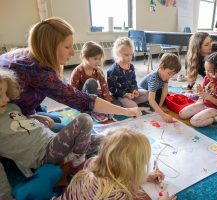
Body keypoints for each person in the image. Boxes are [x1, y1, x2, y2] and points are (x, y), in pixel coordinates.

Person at [0, 17, 140, 124]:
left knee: (57, 120)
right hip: (9, 121)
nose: (73, 53)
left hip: (22, 111)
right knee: (66, 130)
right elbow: (82, 99)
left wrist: (34, 114)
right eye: (67, 47)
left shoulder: (28, 54)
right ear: (50, 47)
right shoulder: (39, 72)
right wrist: (126, 111)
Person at [0, 67, 103, 199]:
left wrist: (36, 117)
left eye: (5, 93)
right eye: (0, 95)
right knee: (84, 120)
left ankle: (76, 158)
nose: (6, 99)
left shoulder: (10, 107)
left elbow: (22, 120)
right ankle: (76, 165)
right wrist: (6, 196)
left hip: (55, 141)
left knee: (103, 140)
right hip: (44, 155)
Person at [54, 128, 176, 200]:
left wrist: (144, 177)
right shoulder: (117, 194)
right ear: (131, 168)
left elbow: (119, 175)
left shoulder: (92, 163)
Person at [179, 52, 217, 127]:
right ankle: (204, 113)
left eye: (210, 71)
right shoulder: (207, 77)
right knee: (182, 114)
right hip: (204, 103)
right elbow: (203, 94)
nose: (206, 74)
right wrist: (200, 91)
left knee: (194, 122)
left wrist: (208, 97)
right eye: (205, 70)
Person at [70, 41, 114, 122]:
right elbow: (73, 91)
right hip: (81, 99)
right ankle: (94, 111)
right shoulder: (78, 71)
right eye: (95, 58)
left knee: (112, 99)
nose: (98, 61)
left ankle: (100, 109)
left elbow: (104, 87)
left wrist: (109, 104)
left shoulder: (98, 70)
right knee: (91, 82)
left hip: (93, 96)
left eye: (99, 59)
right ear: (85, 57)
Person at [139, 53, 181, 123]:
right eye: (169, 73)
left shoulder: (164, 75)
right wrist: (163, 115)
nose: (170, 77)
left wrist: (160, 106)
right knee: (155, 102)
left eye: (172, 74)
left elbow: (165, 91)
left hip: (154, 90)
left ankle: (158, 105)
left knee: (167, 97)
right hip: (142, 93)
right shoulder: (154, 79)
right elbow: (151, 99)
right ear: (161, 67)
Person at [107, 37, 148, 108]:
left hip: (130, 93)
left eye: (131, 54)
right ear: (117, 54)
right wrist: (125, 94)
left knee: (147, 94)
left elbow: (134, 81)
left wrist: (134, 91)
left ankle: (129, 103)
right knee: (134, 106)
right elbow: (112, 89)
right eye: (126, 55)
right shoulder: (113, 70)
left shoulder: (131, 66)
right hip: (120, 95)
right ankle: (127, 103)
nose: (129, 57)